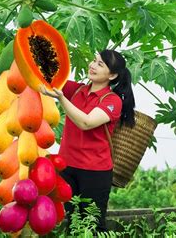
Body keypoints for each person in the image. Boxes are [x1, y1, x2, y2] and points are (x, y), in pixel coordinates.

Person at [40, 49, 135, 232]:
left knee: (93, 226)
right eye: (94, 60)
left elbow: (86, 122)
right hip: (66, 168)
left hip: (95, 172)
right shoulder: (76, 90)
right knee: (70, 223)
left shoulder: (112, 100)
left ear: (112, 75)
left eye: (100, 64)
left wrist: (61, 98)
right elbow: (47, 74)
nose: (92, 66)